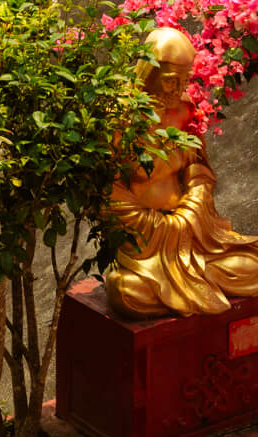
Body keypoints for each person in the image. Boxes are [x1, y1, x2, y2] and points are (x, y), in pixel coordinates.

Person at [105, 26, 258, 319]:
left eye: (185, 81)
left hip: (194, 234)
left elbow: (199, 169)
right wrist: (163, 228)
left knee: (251, 266)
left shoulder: (185, 110)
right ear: (148, 73)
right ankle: (189, 283)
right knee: (125, 291)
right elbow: (108, 195)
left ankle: (193, 281)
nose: (178, 90)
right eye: (171, 82)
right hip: (145, 246)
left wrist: (193, 207)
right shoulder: (119, 120)